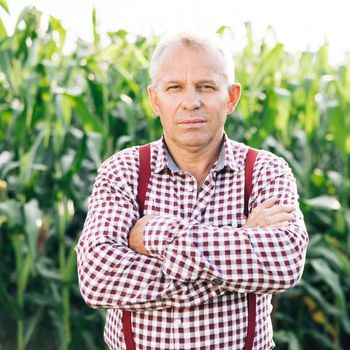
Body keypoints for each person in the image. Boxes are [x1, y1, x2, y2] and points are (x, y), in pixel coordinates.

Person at [75, 32, 309, 350]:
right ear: (155, 99)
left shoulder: (265, 170)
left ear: (231, 97)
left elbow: (284, 261)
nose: (191, 101)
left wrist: (152, 235)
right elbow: (97, 279)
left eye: (206, 86)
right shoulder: (124, 170)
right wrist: (241, 243)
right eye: (175, 87)